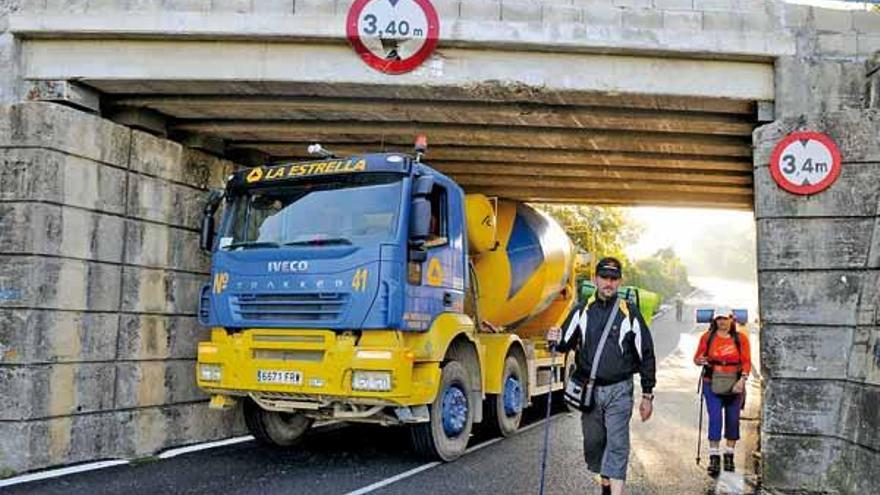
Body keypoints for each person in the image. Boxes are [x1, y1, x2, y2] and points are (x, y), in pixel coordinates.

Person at [547, 257, 657, 495]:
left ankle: (614, 490)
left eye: (613, 279)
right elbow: (563, 345)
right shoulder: (582, 310)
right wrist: (553, 340)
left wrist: (647, 395)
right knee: (594, 445)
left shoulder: (630, 313)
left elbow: (646, 353)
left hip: (620, 390)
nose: (609, 283)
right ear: (595, 279)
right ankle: (606, 483)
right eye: (604, 278)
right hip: (590, 391)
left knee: (617, 444)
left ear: (620, 282)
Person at [693, 308, 752, 476]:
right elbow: (697, 358)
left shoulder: (741, 339)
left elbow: (746, 362)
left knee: (733, 420)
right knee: (715, 418)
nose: (722, 322)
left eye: (725, 318)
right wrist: (700, 360)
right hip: (711, 383)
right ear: (714, 319)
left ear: (732, 319)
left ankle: (729, 455)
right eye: (719, 318)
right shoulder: (707, 337)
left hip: (735, 384)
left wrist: (742, 381)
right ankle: (714, 457)